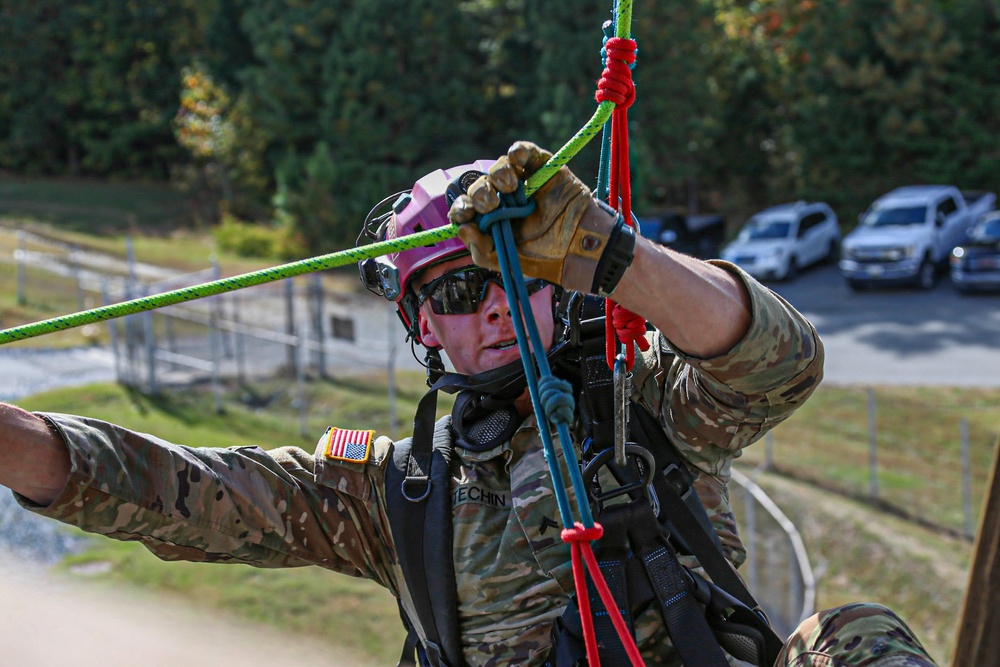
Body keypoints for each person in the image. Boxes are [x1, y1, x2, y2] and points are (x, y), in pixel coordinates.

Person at [0, 141, 936, 666]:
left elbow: (780, 363)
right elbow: (184, 491)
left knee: (851, 639)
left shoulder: (647, 407)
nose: (488, 306)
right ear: (421, 327)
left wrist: (615, 258)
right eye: (453, 293)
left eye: (510, 274)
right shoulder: (401, 493)